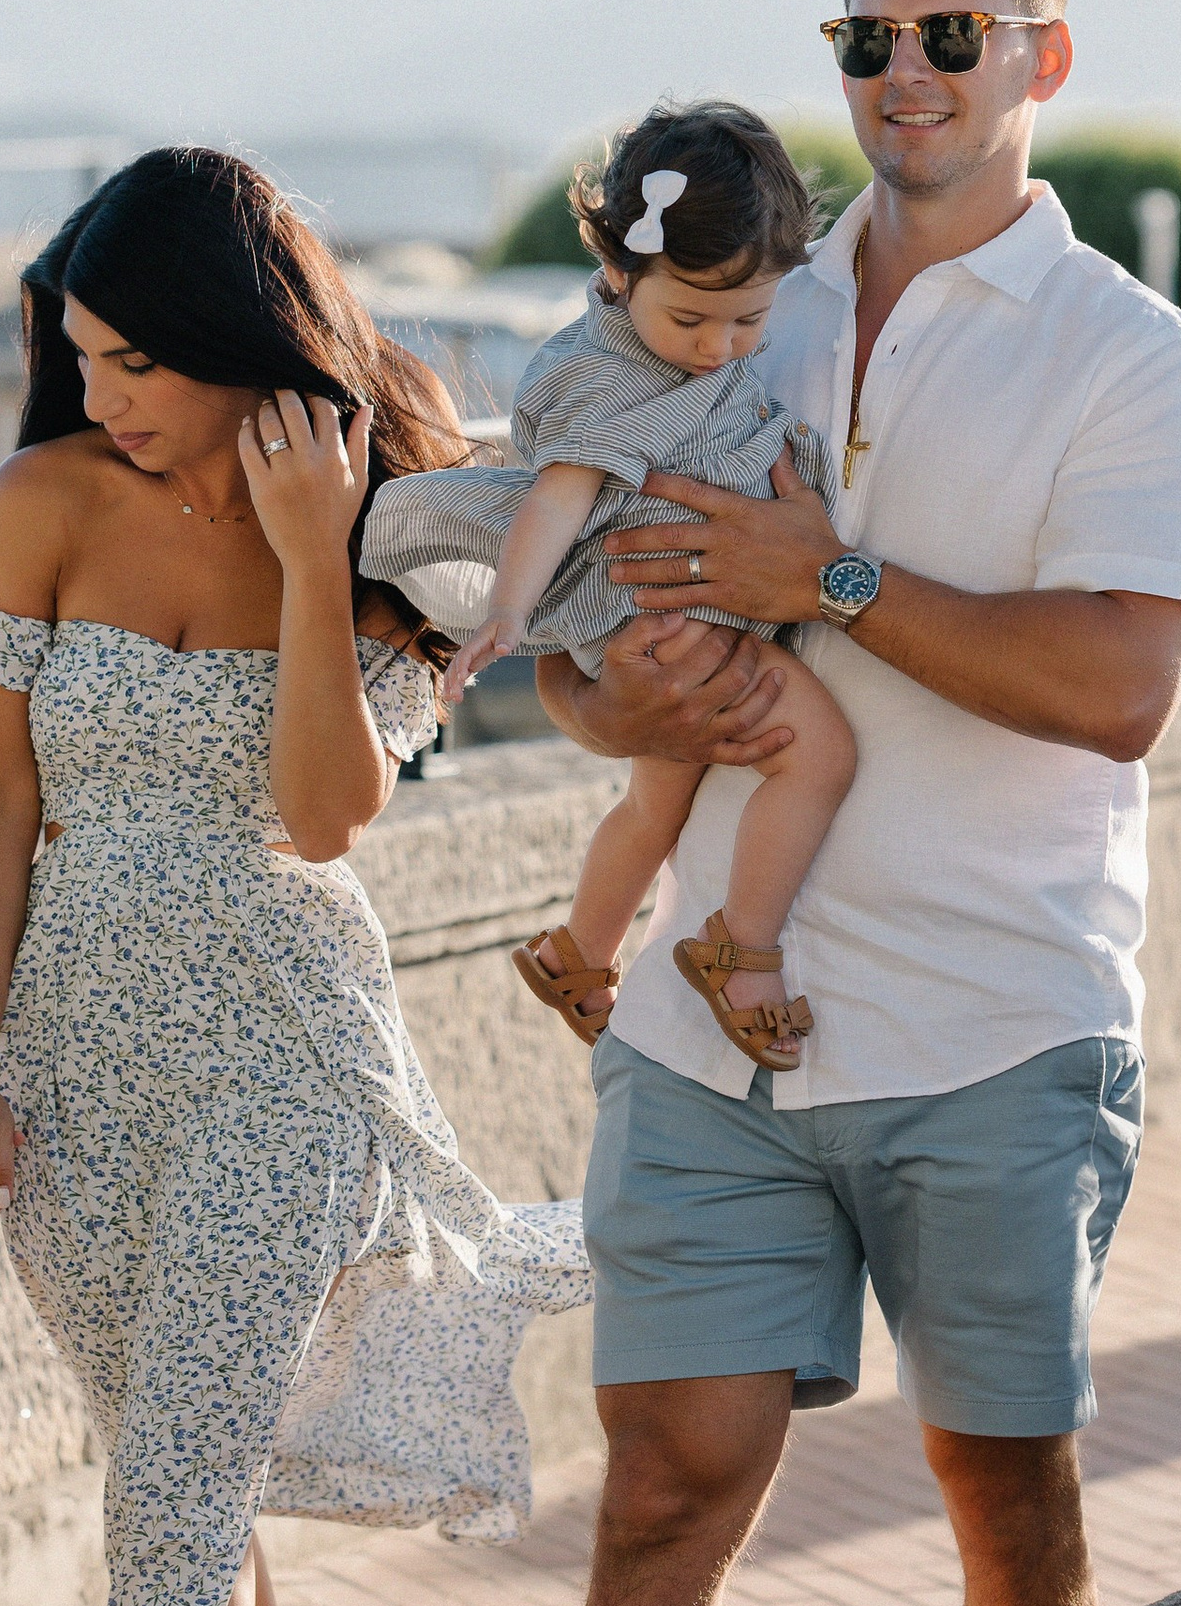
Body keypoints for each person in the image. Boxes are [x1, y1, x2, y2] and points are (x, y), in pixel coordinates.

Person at [542, 0, 1181, 1606]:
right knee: (654, 1503)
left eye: (949, 34)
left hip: (991, 1034)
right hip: (710, 1037)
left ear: (1042, 57)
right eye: (866, 39)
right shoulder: (715, 322)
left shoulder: (1135, 363)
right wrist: (607, 683)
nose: (905, 73)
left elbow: (1117, 688)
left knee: (1005, 1504)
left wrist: (823, 579)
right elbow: (608, 702)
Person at [0, 146, 588, 1606]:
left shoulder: (383, 533)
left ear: (240, 346)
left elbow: (321, 813)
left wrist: (306, 557)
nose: (105, 394)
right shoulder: (35, 506)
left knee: (180, 1472)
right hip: (72, 1072)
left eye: (141, 359)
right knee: (181, 1472)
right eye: (83, 355)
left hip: (284, 1058)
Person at [359, 101, 856, 1069]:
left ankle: (578, 950)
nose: (717, 346)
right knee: (819, 759)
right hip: (664, 616)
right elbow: (554, 497)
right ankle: (740, 949)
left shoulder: (666, 343)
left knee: (654, 802)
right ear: (618, 274)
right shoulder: (599, 377)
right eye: (689, 319)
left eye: (749, 320)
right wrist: (505, 613)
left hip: (673, 611)